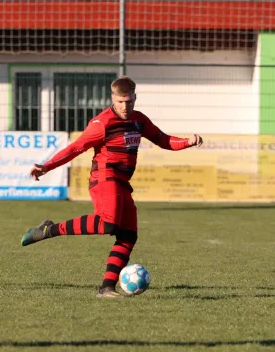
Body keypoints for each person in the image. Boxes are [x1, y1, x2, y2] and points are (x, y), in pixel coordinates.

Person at [20, 76, 203, 298]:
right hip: (105, 178)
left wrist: (187, 141)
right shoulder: (102, 123)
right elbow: (76, 148)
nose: (125, 107)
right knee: (108, 223)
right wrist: (47, 166)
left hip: (122, 183)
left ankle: (106, 288)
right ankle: (49, 230)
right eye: (120, 102)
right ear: (113, 99)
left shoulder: (139, 120)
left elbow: (163, 140)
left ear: (135, 98)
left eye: (129, 101)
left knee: (128, 235)